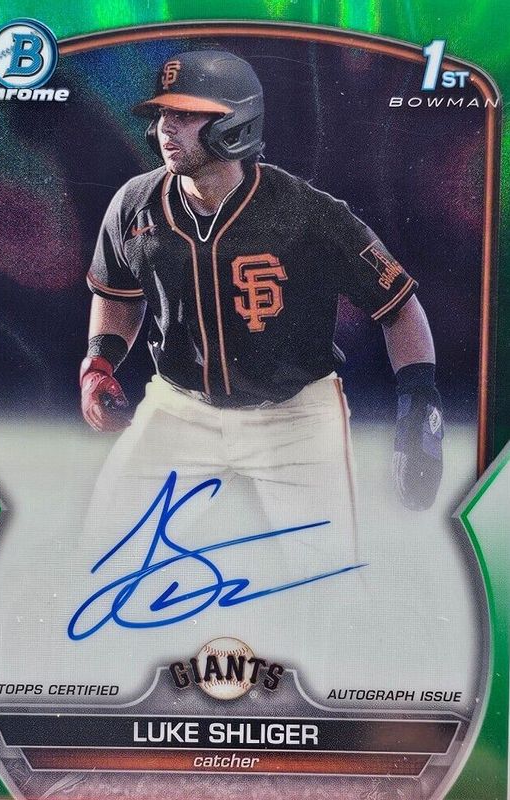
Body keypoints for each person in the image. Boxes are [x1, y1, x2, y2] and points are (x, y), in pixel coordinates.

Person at [78, 50, 444, 624]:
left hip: (293, 417)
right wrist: (100, 363)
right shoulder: (135, 204)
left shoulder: (307, 213)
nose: (166, 127)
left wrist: (419, 403)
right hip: (181, 408)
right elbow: (118, 294)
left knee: (327, 589)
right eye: (163, 114)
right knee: (103, 556)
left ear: (235, 121)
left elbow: (399, 307)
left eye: (185, 113)